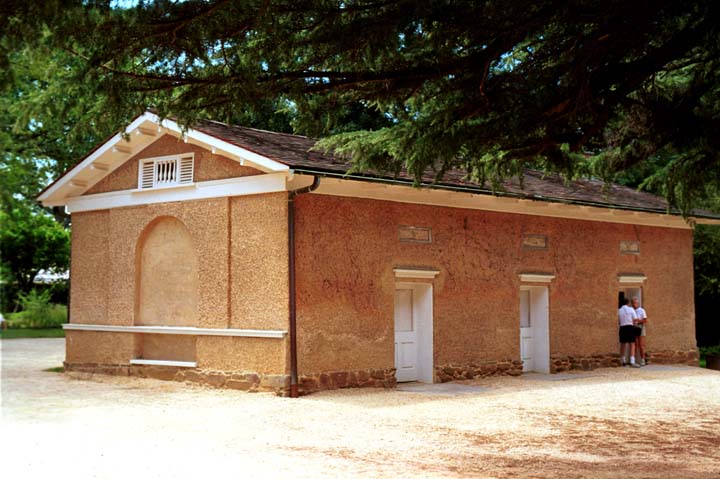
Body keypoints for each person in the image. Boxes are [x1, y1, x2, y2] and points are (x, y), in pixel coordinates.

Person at [618, 298, 640, 367]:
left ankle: (623, 360)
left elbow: (618, 320)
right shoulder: (631, 309)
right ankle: (632, 361)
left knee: (623, 344)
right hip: (630, 327)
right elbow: (635, 319)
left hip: (622, 327)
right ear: (628, 303)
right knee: (632, 344)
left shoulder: (619, 310)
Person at [633, 297, 648, 366]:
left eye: (635, 303)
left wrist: (638, 321)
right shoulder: (632, 310)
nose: (634, 304)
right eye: (633, 303)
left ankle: (643, 360)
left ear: (638, 303)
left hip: (641, 327)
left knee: (641, 345)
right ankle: (635, 360)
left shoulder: (642, 310)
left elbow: (645, 320)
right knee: (635, 345)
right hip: (634, 328)